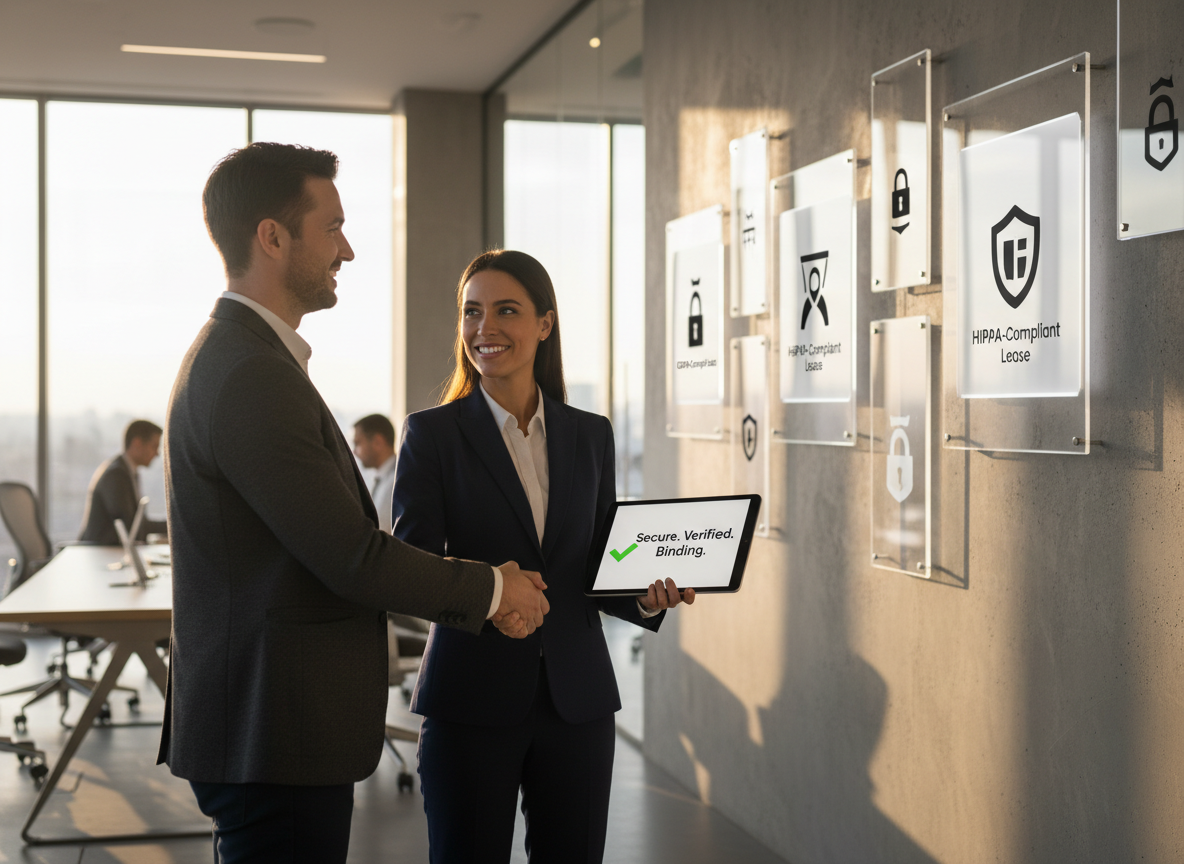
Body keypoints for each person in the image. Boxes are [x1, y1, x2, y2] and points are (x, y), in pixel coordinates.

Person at [159, 143, 550, 864]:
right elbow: (350, 555)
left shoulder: (245, 358)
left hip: (271, 727)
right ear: (273, 237)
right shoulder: (250, 373)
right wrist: (494, 588)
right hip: (275, 730)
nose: (348, 248)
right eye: (332, 226)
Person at [392, 249, 695, 864]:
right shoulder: (433, 436)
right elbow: (411, 570)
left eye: (507, 310)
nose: (486, 328)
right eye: (472, 312)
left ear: (545, 324)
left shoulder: (591, 434)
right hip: (470, 700)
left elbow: (596, 565)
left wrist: (642, 594)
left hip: (577, 701)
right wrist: (493, 595)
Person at [78, 419, 168, 544]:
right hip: (101, 551)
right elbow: (130, 524)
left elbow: (136, 525)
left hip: (111, 550)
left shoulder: (127, 471)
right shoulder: (116, 475)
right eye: (154, 446)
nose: (157, 454)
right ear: (137, 443)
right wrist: (172, 527)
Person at [352, 414, 397, 532]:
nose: (354, 452)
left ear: (378, 442)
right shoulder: (378, 479)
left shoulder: (398, 481)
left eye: (358, 443)